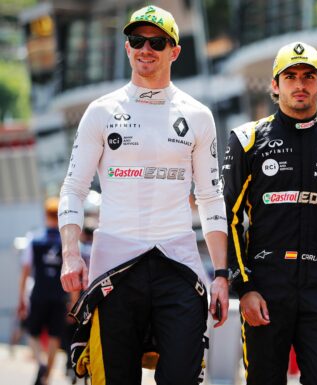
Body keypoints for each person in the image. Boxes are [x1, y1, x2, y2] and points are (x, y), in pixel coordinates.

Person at [58, 5, 228, 385]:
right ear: (126, 47)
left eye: (156, 42)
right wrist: (71, 254)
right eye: (137, 40)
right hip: (114, 266)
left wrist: (221, 274)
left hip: (178, 263)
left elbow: (211, 197)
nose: (145, 49)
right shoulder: (100, 112)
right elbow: (72, 189)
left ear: (174, 51)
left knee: (183, 376)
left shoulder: (198, 115)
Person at [222, 41, 317, 385]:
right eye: (290, 76)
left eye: (309, 76)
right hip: (265, 287)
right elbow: (227, 218)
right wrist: (243, 287)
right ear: (275, 86)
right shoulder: (247, 139)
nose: (300, 84)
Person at [17, 197, 67, 385]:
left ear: (46, 214)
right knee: (55, 337)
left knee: (32, 331)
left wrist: (21, 297)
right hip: (60, 295)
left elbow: (25, 271)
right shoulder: (66, 241)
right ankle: (46, 378)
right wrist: (73, 299)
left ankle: (41, 362)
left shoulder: (34, 239)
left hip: (38, 294)